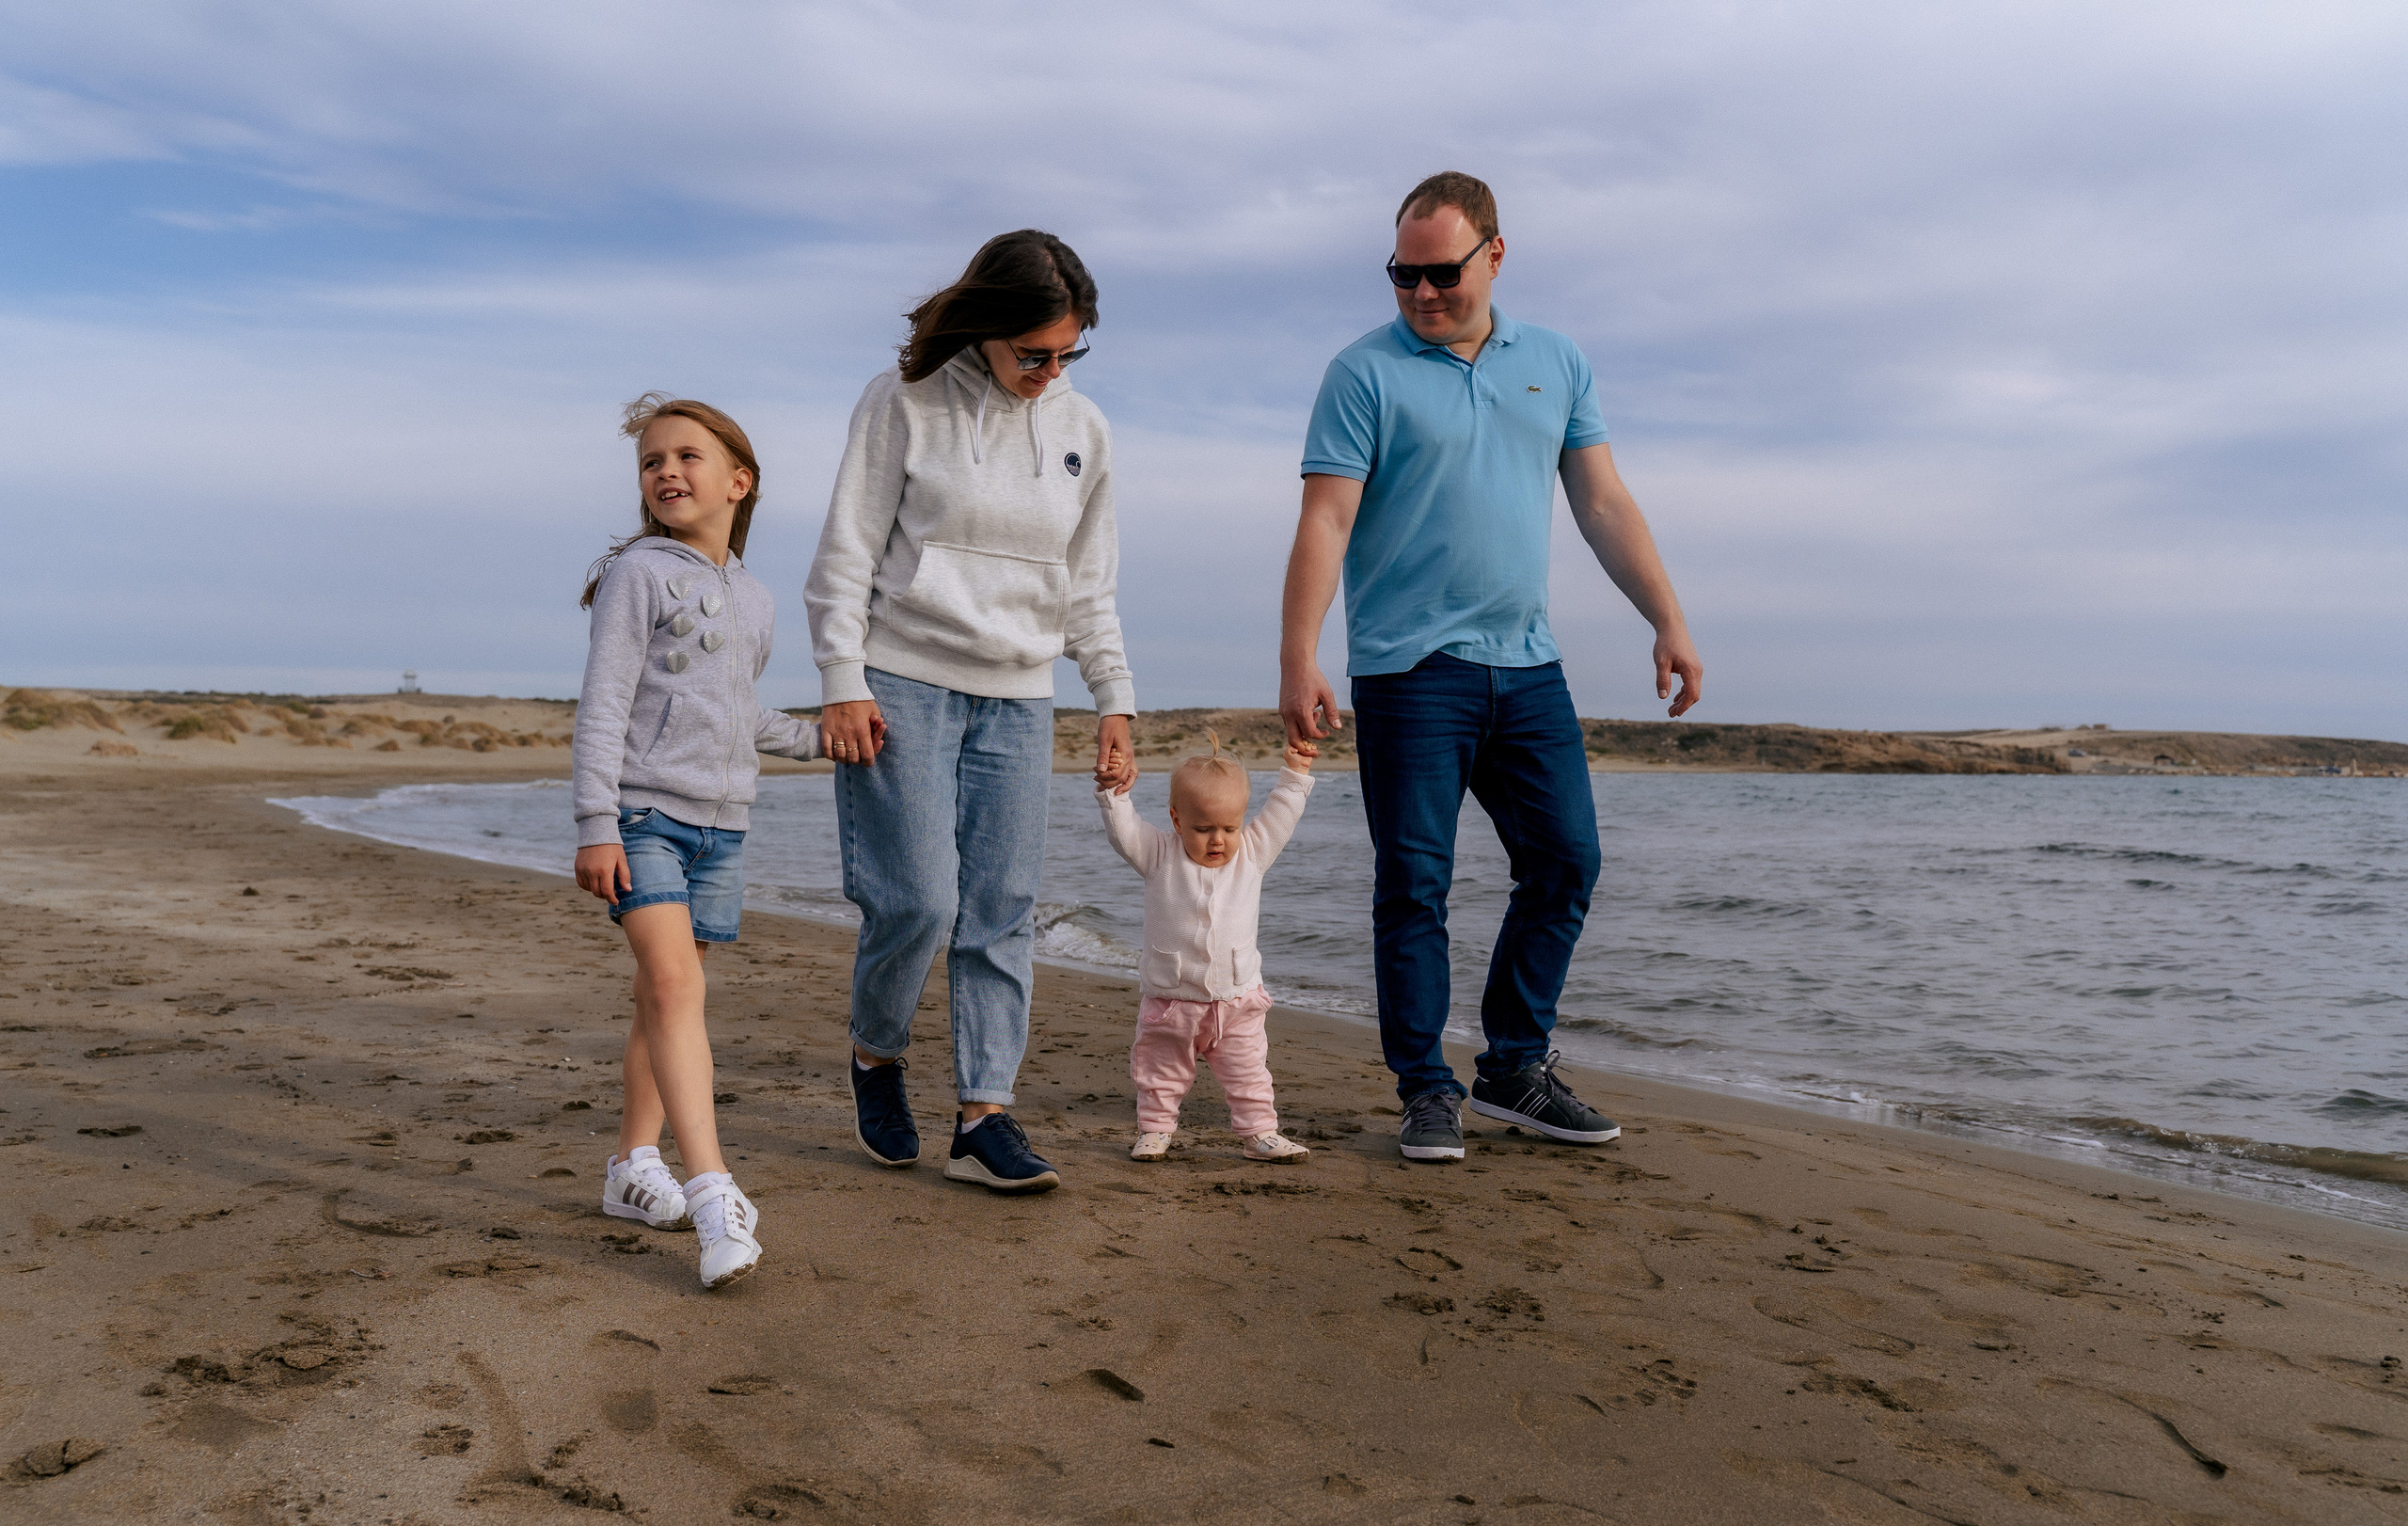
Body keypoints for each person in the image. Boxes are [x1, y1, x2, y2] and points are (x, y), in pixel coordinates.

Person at [1278, 171, 1704, 1165]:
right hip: (1408, 671)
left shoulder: (1554, 361)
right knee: (1413, 883)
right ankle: (1425, 1088)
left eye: (1441, 274)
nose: (1422, 294)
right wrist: (1298, 656)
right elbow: (1326, 518)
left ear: (1493, 256)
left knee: (1565, 863)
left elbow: (1601, 502)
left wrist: (1667, 618)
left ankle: (1513, 1067)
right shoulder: (1361, 373)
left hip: (1528, 666)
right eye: (1401, 276)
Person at [805, 230, 1135, 1195]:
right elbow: (846, 550)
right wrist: (840, 676)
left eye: (1065, 353)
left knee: (1001, 911)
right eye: (1031, 351)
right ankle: (875, 1054)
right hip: (899, 678)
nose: (1047, 371)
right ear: (986, 326)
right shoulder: (903, 398)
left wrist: (1111, 697)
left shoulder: (1086, 429)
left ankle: (984, 1114)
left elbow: (1089, 584)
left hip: (1020, 692)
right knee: (916, 899)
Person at [570, 393, 824, 1288]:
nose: (666, 472)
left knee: (659, 997)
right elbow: (604, 706)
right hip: (643, 818)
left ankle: (631, 1165)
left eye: (687, 456)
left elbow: (740, 716)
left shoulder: (753, 599)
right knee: (677, 990)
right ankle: (716, 1192)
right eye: (651, 462)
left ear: (739, 481)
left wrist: (827, 736)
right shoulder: (642, 574)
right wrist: (597, 825)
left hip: (724, 829)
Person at [1095, 732, 1317, 1164]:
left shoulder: (1251, 853)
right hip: (1171, 1000)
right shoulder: (1159, 854)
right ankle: (1155, 1130)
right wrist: (1112, 792)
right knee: (1160, 1073)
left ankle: (1260, 1134)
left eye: (1229, 827)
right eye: (1203, 828)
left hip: (1237, 1000)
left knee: (1249, 1072)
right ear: (1177, 821)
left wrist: (1297, 773)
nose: (1218, 840)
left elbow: (1281, 815)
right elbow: (1123, 830)